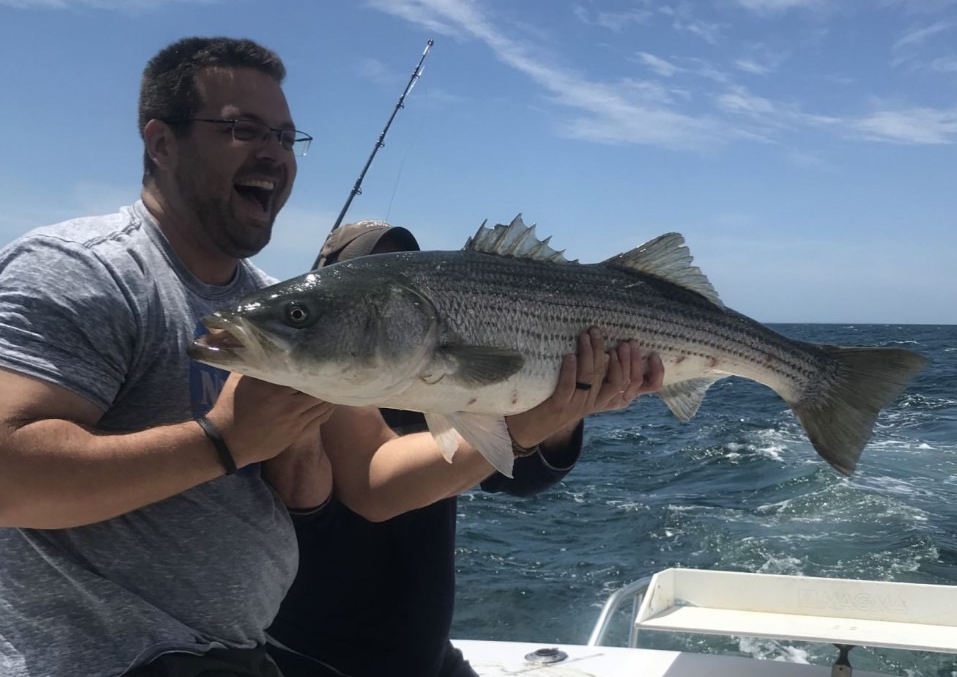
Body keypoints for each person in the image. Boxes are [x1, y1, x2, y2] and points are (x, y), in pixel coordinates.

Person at [0, 36, 663, 677]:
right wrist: (222, 441)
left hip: (232, 655)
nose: (273, 153)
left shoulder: (274, 307)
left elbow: (373, 479)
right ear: (161, 142)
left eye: (287, 138)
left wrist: (526, 426)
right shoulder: (86, 270)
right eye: (242, 129)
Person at [266, 222, 654, 677]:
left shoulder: (431, 378)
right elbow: (369, 486)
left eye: (398, 270)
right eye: (368, 271)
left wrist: (566, 409)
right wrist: (522, 428)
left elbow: (517, 477)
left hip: (428, 654)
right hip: (318, 657)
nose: (386, 299)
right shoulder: (305, 391)